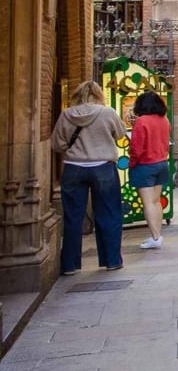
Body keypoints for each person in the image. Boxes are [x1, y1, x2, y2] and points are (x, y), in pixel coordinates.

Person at [50, 81, 129, 274]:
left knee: (73, 217)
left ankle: (69, 265)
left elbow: (57, 145)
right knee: (109, 213)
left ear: (77, 95)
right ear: (99, 95)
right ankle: (112, 260)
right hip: (103, 167)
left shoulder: (66, 114)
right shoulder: (108, 112)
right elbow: (120, 134)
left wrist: (75, 147)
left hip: (73, 167)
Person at [128, 91, 171, 250]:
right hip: (162, 163)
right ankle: (157, 234)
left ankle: (155, 237)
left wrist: (132, 163)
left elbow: (137, 147)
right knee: (155, 201)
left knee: (147, 203)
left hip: (145, 165)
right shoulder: (164, 120)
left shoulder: (141, 121)